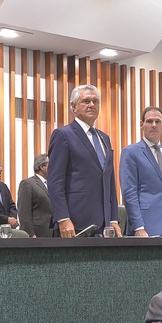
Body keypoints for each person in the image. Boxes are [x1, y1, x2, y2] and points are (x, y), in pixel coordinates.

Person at [47, 85, 121, 237]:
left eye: (95, 101)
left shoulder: (104, 138)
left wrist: (113, 218)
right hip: (75, 223)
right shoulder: (63, 135)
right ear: (73, 106)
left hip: (105, 225)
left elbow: (109, 181)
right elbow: (55, 181)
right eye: (86, 101)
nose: (92, 105)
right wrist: (63, 218)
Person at [119, 106, 162, 237]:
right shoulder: (131, 152)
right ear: (141, 124)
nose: (154, 125)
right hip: (146, 223)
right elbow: (129, 193)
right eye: (149, 121)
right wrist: (138, 227)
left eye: (158, 121)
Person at [17, 154, 53, 238]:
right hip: (37, 235)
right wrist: (30, 234)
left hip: (54, 235)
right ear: (42, 167)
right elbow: (24, 212)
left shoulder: (52, 184)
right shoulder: (28, 184)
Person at [0, 156, 19, 229]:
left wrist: (12, 219)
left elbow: (12, 206)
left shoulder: (3, 186)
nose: (0, 169)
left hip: (8, 229)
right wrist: (6, 219)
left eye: (0, 167)